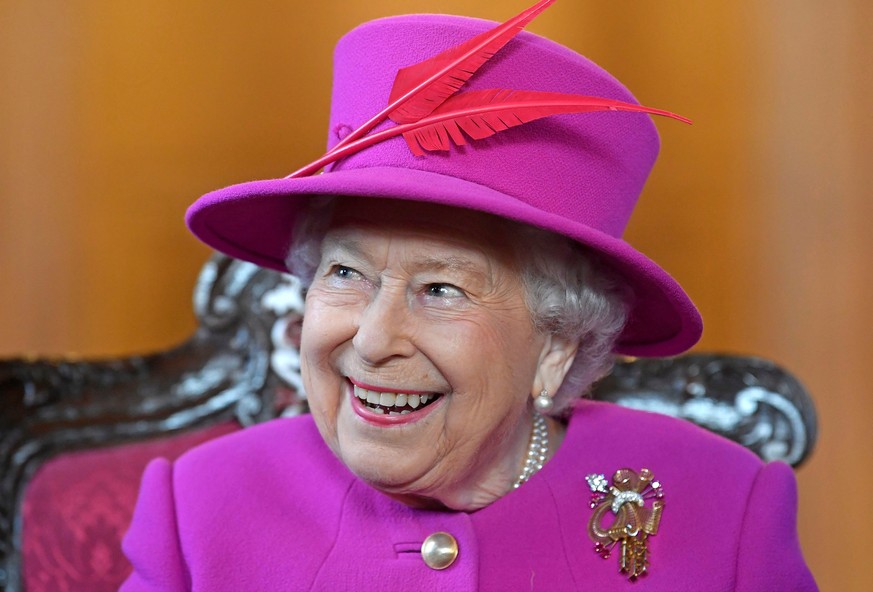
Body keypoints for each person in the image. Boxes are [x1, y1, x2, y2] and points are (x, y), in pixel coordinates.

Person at [120, 2, 817, 590]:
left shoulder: (723, 509)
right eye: (344, 274)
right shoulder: (200, 510)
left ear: (556, 345)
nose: (370, 339)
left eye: (440, 288)